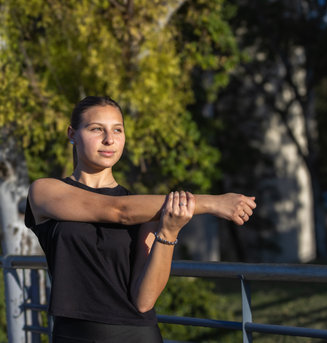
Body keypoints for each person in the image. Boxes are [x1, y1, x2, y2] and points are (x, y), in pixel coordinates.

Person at [25, 96, 256, 342]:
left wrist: (169, 232)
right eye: (96, 129)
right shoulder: (45, 191)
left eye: (117, 130)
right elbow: (117, 211)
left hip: (137, 334)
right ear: (72, 133)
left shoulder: (144, 209)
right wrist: (212, 202)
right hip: (73, 335)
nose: (109, 140)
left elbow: (144, 301)